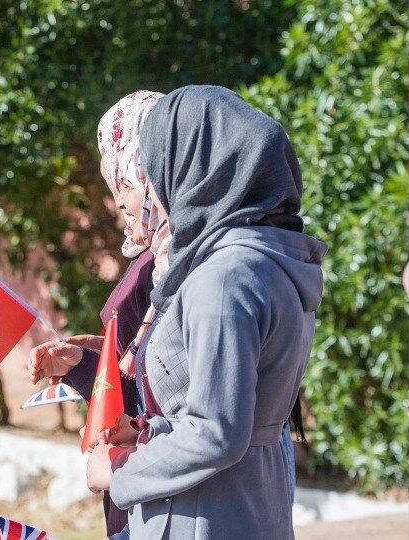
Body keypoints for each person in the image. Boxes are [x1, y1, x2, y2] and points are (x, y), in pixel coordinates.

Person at [84, 85, 326, 539]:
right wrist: (150, 431)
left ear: (194, 166)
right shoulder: (268, 256)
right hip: (251, 502)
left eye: (157, 165)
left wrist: (119, 473)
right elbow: (230, 410)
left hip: (206, 515)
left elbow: (217, 433)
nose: (154, 185)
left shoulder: (225, 276)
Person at [26, 91, 166, 537]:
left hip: (152, 479)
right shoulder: (154, 253)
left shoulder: (174, 262)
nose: (119, 202)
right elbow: (135, 360)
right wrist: (84, 360)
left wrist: (93, 366)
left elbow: (154, 379)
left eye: (125, 182)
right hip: (135, 476)